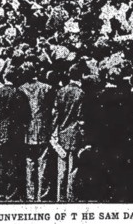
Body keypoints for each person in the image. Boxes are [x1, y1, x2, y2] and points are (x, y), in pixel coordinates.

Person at [0, 66, 31, 200]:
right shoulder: (20, 95)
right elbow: (26, 116)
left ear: (4, 78)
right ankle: (11, 193)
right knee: (13, 164)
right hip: (14, 135)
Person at [18, 61, 55, 201]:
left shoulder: (21, 89)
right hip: (43, 129)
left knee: (29, 163)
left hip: (27, 130)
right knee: (43, 164)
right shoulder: (46, 88)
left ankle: (30, 194)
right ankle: (41, 195)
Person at [52, 64, 86, 201]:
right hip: (75, 133)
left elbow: (55, 114)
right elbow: (81, 117)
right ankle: (70, 197)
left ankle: (60, 198)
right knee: (73, 170)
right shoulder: (81, 93)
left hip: (61, 132)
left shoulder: (61, 91)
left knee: (62, 169)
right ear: (81, 76)